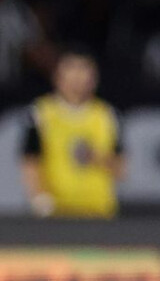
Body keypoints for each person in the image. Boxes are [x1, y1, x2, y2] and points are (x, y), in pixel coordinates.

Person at [21, 51, 125, 218]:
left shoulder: (107, 115)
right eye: (71, 71)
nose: (77, 79)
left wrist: (96, 157)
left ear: (94, 79)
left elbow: (121, 169)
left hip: (98, 211)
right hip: (57, 212)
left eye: (83, 71)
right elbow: (30, 160)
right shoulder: (41, 113)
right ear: (58, 78)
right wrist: (39, 197)